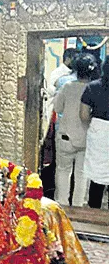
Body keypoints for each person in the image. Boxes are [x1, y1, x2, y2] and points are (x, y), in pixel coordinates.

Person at [53, 53, 98, 207]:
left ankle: (62, 207)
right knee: (82, 175)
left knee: (63, 171)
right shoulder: (94, 89)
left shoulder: (67, 86)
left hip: (66, 137)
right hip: (86, 139)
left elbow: (57, 107)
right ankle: (78, 207)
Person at [81, 58, 109, 209]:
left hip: (99, 132)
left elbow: (84, 115)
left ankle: (94, 213)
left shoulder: (93, 87)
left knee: (97, 178)